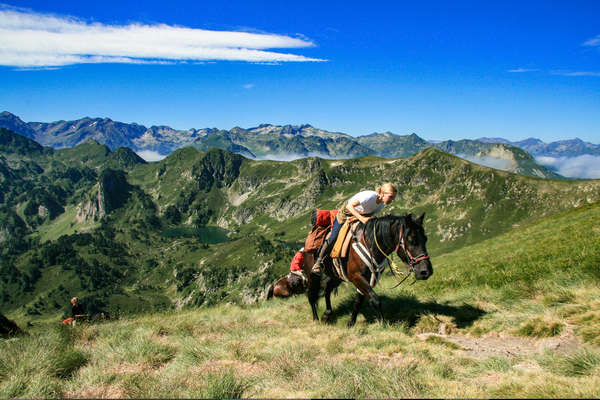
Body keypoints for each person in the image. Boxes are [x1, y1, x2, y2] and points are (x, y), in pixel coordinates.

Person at [311, 183, 397, 275]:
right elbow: (349, 206)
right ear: (383, 193)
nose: (392, 200)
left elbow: (369, 214)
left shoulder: (381, 205)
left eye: (393, 198)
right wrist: (362, 218)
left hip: (360, 217)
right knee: (334, 236)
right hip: (346, 214)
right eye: (391, 197)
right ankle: (318, 262)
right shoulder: (370, 196)